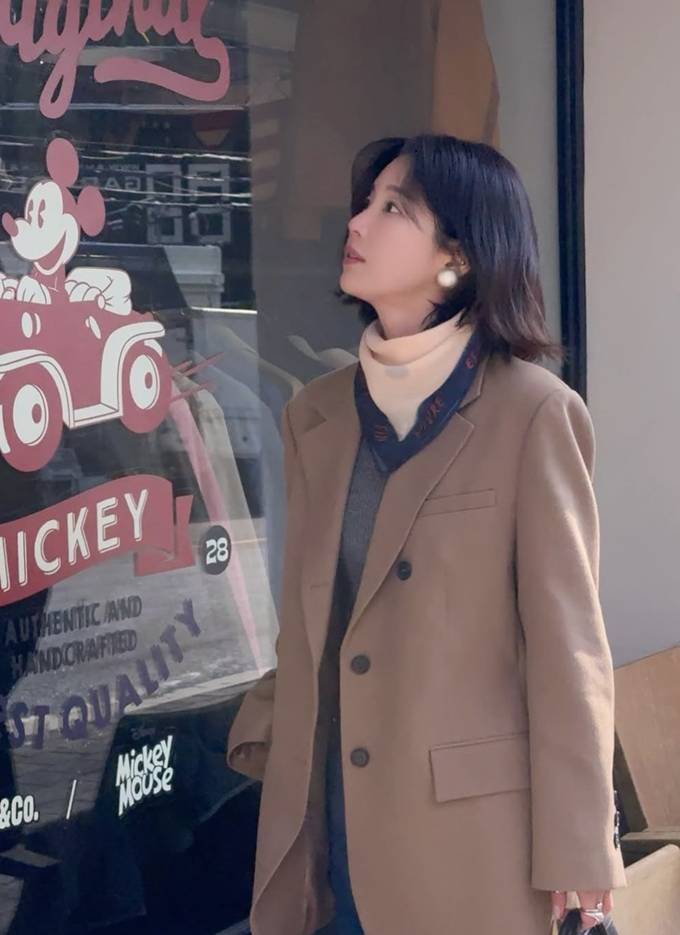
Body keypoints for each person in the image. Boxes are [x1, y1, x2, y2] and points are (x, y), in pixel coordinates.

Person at [226, 134, 627, 935]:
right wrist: (263, 731)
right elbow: (314, 618)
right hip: (327, 831)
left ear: (458, 255)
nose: (357, 223)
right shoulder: (315, 415)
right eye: (364, 203)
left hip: (470, 844)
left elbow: (568, 651)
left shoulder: (532, 413)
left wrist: (582, 847)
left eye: (393, 208)